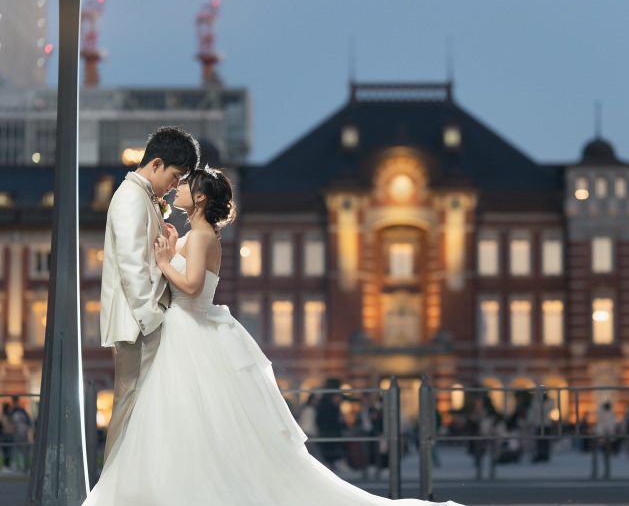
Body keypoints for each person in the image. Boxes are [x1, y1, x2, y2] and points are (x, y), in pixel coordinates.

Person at [82, 166, 461, 506]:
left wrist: (165, 261)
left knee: (180, 414)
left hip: (187, 327)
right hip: (191, 328)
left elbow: (193, 287)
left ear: (199, 198)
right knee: (187, 415)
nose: (177, 187)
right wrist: (170, 242)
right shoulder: (197, 235)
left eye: (185, 184)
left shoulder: (200, 237)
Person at [99, 126, 200, 461]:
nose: (175, 187)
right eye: (175, 176)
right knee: (130, 407)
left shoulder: (145, 197)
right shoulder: (130, 197)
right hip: (140, 325)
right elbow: (131, 266)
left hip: (147, 321)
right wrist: (152, 320)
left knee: (141, 409)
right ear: (156, 163)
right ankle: (111, 490)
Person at [595, 401, 616, 479]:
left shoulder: (602, 414)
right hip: (608, 436)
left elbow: (600, 426)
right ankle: (607, 472)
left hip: (603, 436)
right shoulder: (611, 415)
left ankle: (605, 472)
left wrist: (600, 436)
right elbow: (612, 426)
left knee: (604, 456)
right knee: (606, 456)